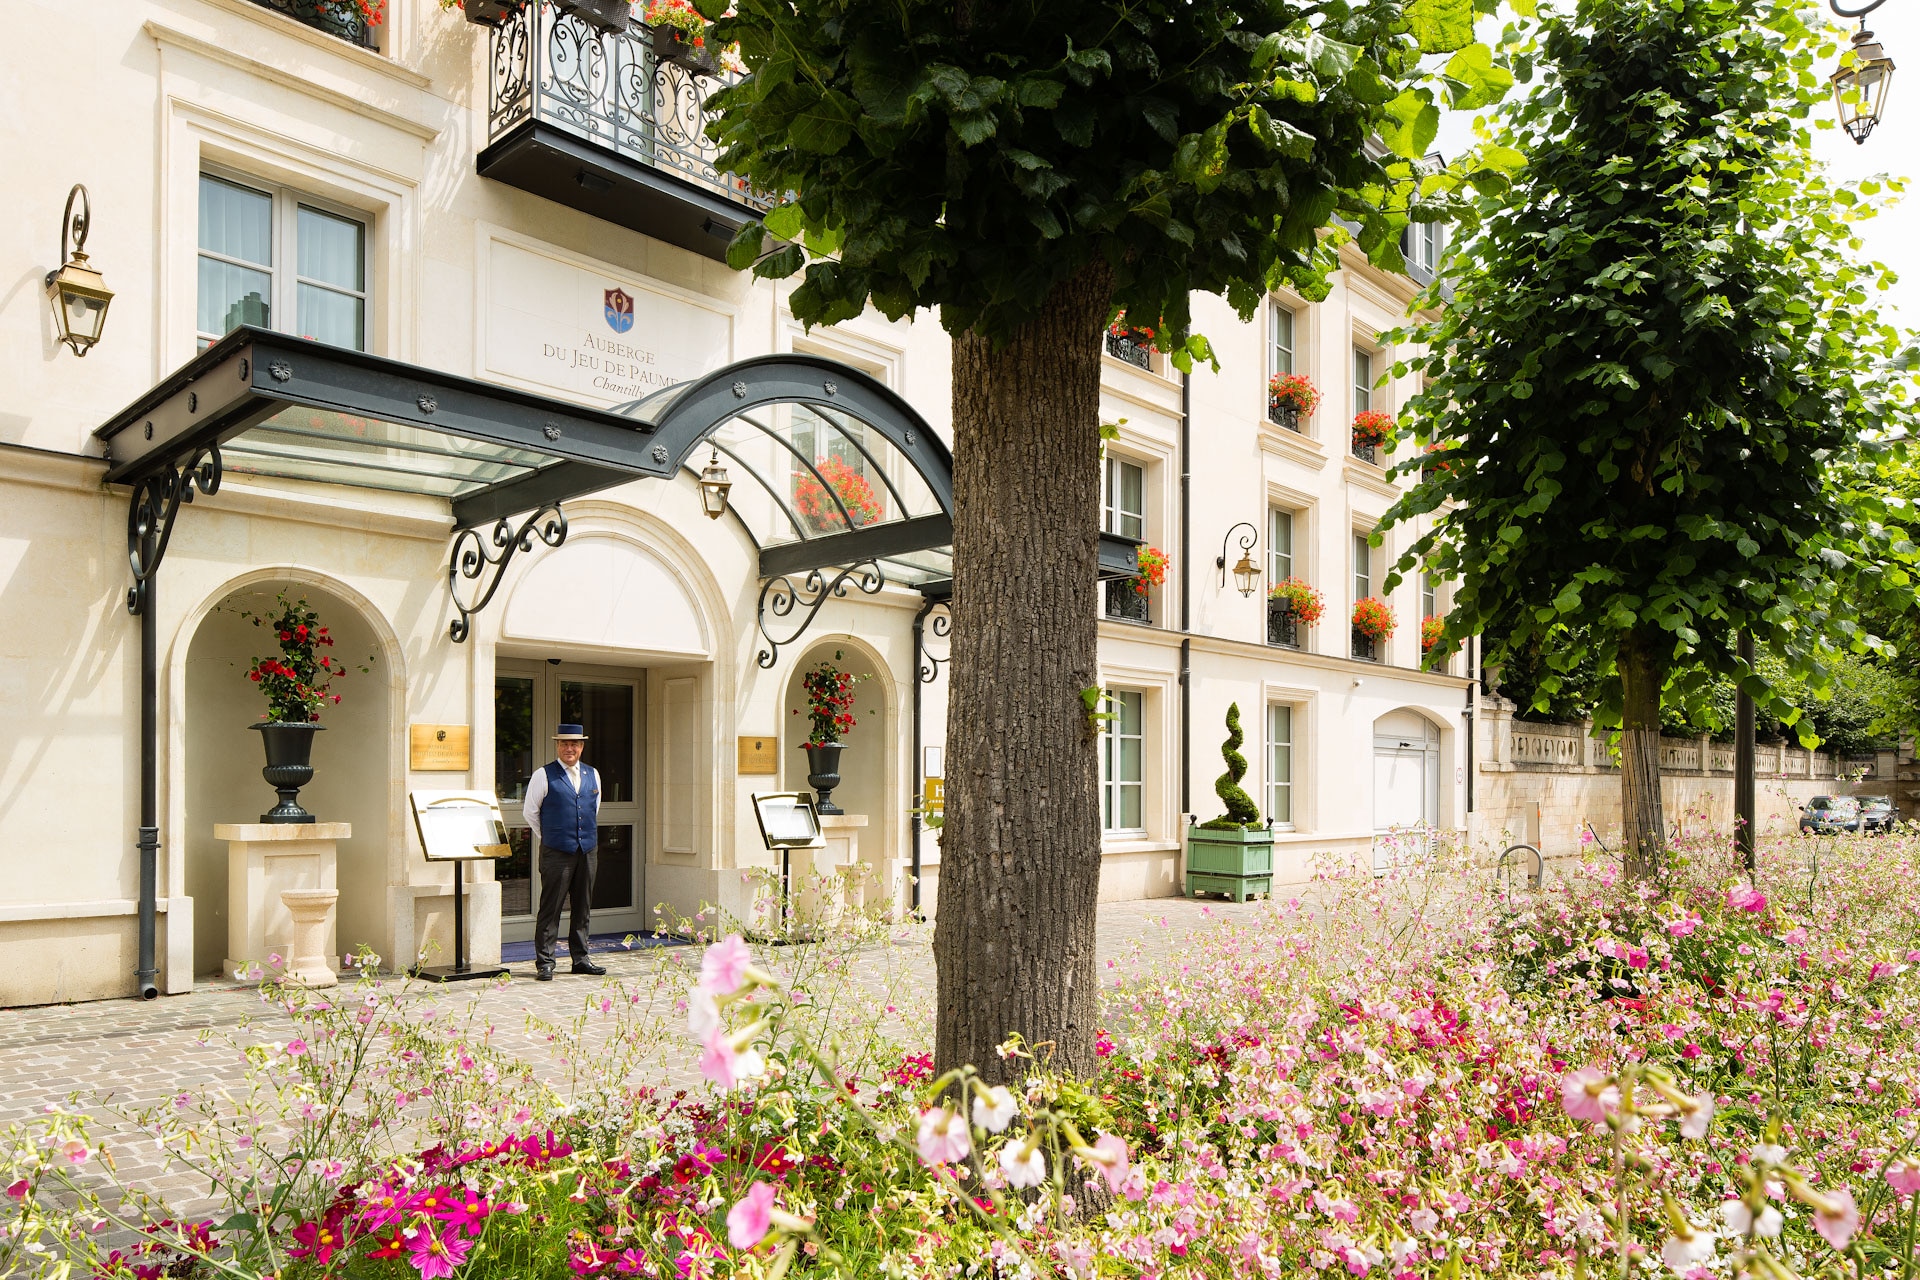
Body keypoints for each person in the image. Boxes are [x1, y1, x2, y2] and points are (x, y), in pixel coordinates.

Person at [521, 723, 608, 981]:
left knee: (583, 907)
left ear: (582, 747)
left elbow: (594, 809)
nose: (569, 748)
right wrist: (551, 838)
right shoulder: (543, 775)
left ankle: (580, 959)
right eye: (564, 744)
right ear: (558, 746)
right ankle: (545, 962)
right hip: (556, 852)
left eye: (575, 744)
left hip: (587, 851)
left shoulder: (593, 774)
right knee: (551, 907)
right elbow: (530, 813)